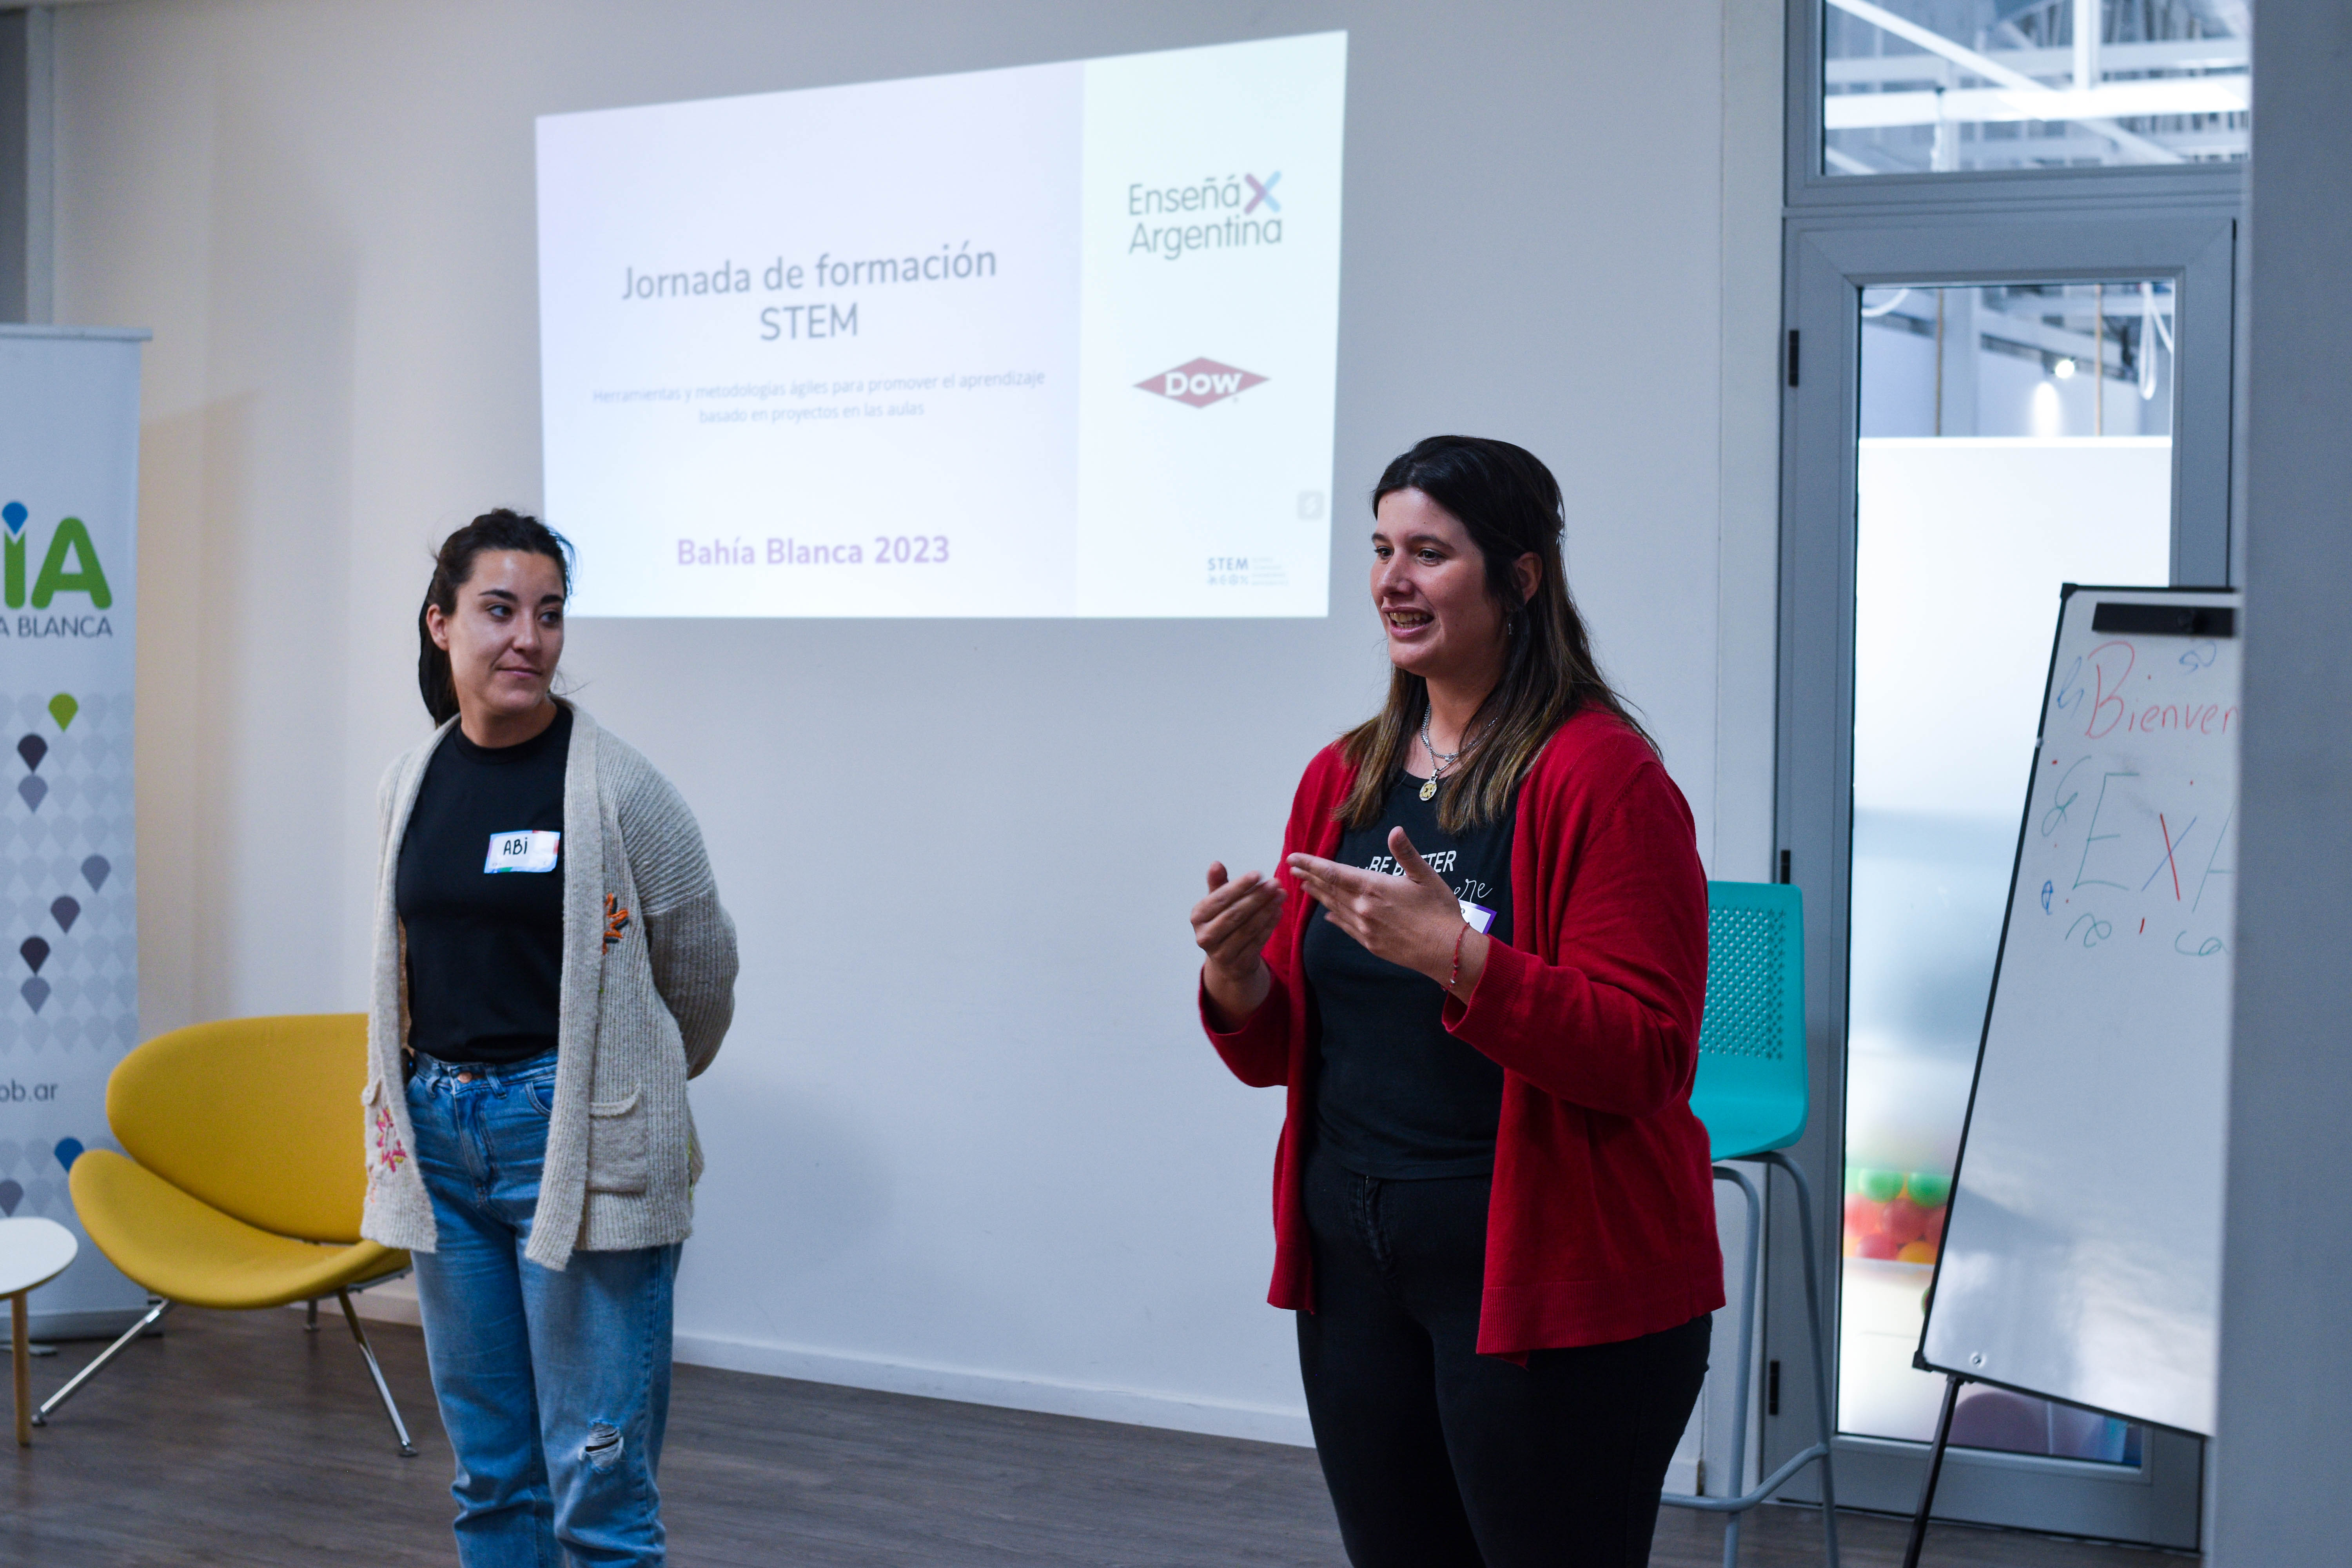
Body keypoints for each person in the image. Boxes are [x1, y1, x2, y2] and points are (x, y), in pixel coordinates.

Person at [1189, 437, 1722, 1568]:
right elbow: (1294, 1047)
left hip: (1548, 1282)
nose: (1393, 580)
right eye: (1382, 550)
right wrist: (1238, 981)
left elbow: (1647, 1055)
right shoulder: (1346, 773)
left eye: (1429, 552)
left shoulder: (1602, 777)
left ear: (1520, 578)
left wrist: (1464, 962)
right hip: (1359, 1261)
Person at [359, 508, 738, 1567]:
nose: (528, 636)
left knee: (599, 1491)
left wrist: (630, 1081)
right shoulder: (409, 780)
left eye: (550, 614)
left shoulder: (622, 790)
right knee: (490, 1480)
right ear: (441, 625)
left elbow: (700, 979)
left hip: (578, 1144)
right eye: (499, 610)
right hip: (441, 1143)